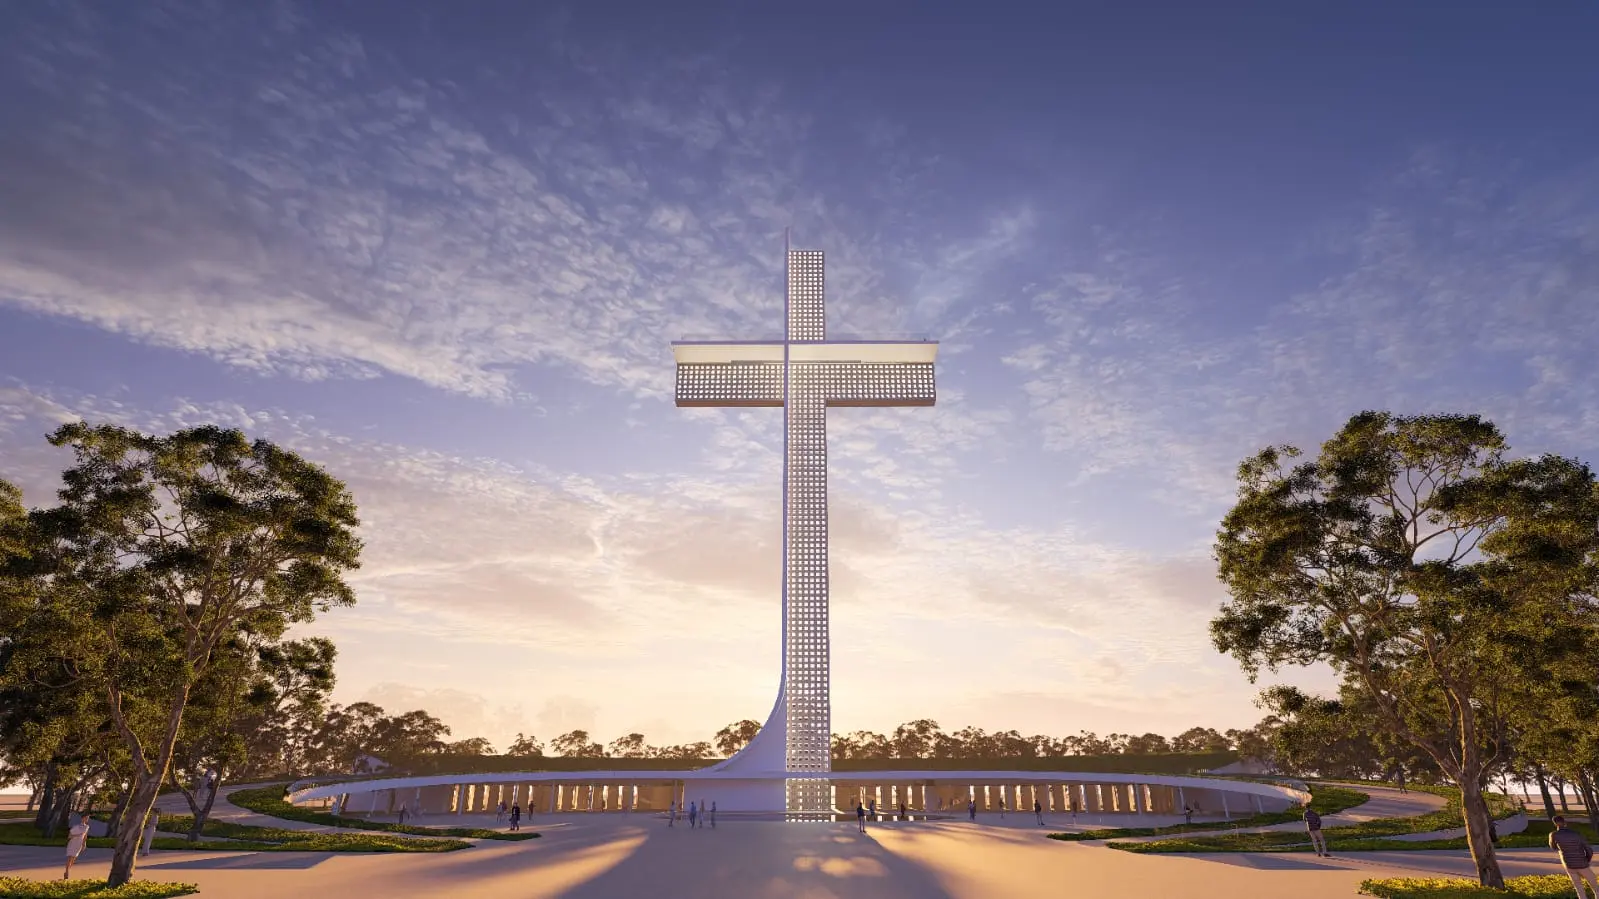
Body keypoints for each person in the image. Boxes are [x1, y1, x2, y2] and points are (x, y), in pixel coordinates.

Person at [1550, 815, 1596, 898]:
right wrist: (1586, 860)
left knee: (1578, 887)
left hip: (1569, 865)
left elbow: (1553, 847)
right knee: (1595, 886)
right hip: (1582, 864)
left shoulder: (1553, 835)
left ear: (1555, 824)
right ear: (1565, 822)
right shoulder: (1576, 834)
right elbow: (1589, 850)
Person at [62, 814, 89, 880]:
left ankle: (67, 871)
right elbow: (69, 836)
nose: (86, 819)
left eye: (87, 818)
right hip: (72, 843)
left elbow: (85, 836)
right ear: (82, 818)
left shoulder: (87, 827)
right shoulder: (76, 826)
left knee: (74, 858)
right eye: (85, 818)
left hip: (79, 844)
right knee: (70, 857)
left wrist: (84, 844)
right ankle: (67, 872)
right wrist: (76, 835)